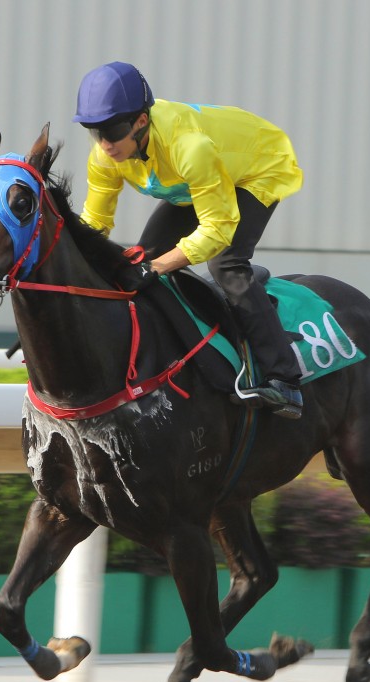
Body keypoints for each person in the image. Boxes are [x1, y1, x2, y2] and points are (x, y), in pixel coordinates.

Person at [72, 61, 305, 420]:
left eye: (113, 131)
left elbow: (218, 229)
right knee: (142, 257)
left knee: (226, 263)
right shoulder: (105, 156)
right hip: (198, 180)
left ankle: (284, 379)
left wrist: (158, 267)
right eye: (95, 132)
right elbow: (94, 226)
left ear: (141, 121)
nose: (105, 144)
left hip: (258, 169)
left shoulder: (189, 146)